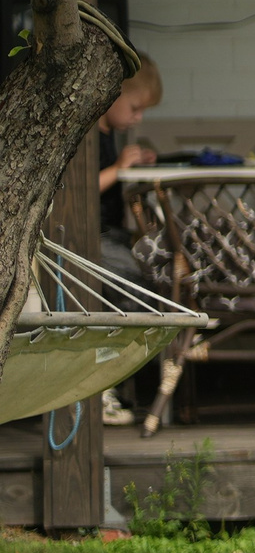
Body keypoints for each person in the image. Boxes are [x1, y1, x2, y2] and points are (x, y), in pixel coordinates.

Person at [94, 55, 162, 425]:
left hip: (111, 233)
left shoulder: (110, 135)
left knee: (156, 273)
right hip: (86, 238)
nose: (138, 119)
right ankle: (100, 384)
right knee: (132, 283)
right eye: (135, 108)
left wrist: (131, 167)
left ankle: (123, 383)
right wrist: (118, 169)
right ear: (112, 93)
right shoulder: (87, 131)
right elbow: (78, 190)